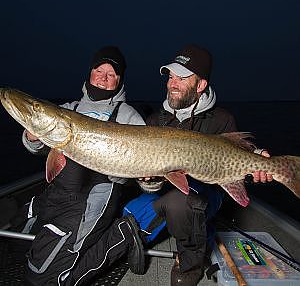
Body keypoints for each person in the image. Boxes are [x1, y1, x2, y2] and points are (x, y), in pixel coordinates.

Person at [123, 44, 273, 286]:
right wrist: (147, 181)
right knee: (128, 215)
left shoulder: (222, 119)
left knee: (182, 203)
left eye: (182, 78)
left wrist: (258, 159)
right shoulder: (154, 121)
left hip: (206, 192)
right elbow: (148, 175)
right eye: (171, 76)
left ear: (200, 85)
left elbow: (237, 154)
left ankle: (190, 265)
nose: (172, 83)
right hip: (166, 191)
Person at [12, 46, 146, 285]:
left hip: (92, 200)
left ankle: (121, 234)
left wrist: (149, 178)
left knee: (44, 278)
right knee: (16, 243)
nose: (103, 77)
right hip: (56, 196)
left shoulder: (129, 117)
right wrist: (32, 137)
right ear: (89, 73)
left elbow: (145, 163)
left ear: (119, 80)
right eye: (99, 70)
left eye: (111, 73)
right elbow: (43, 147)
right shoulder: (68, 108)